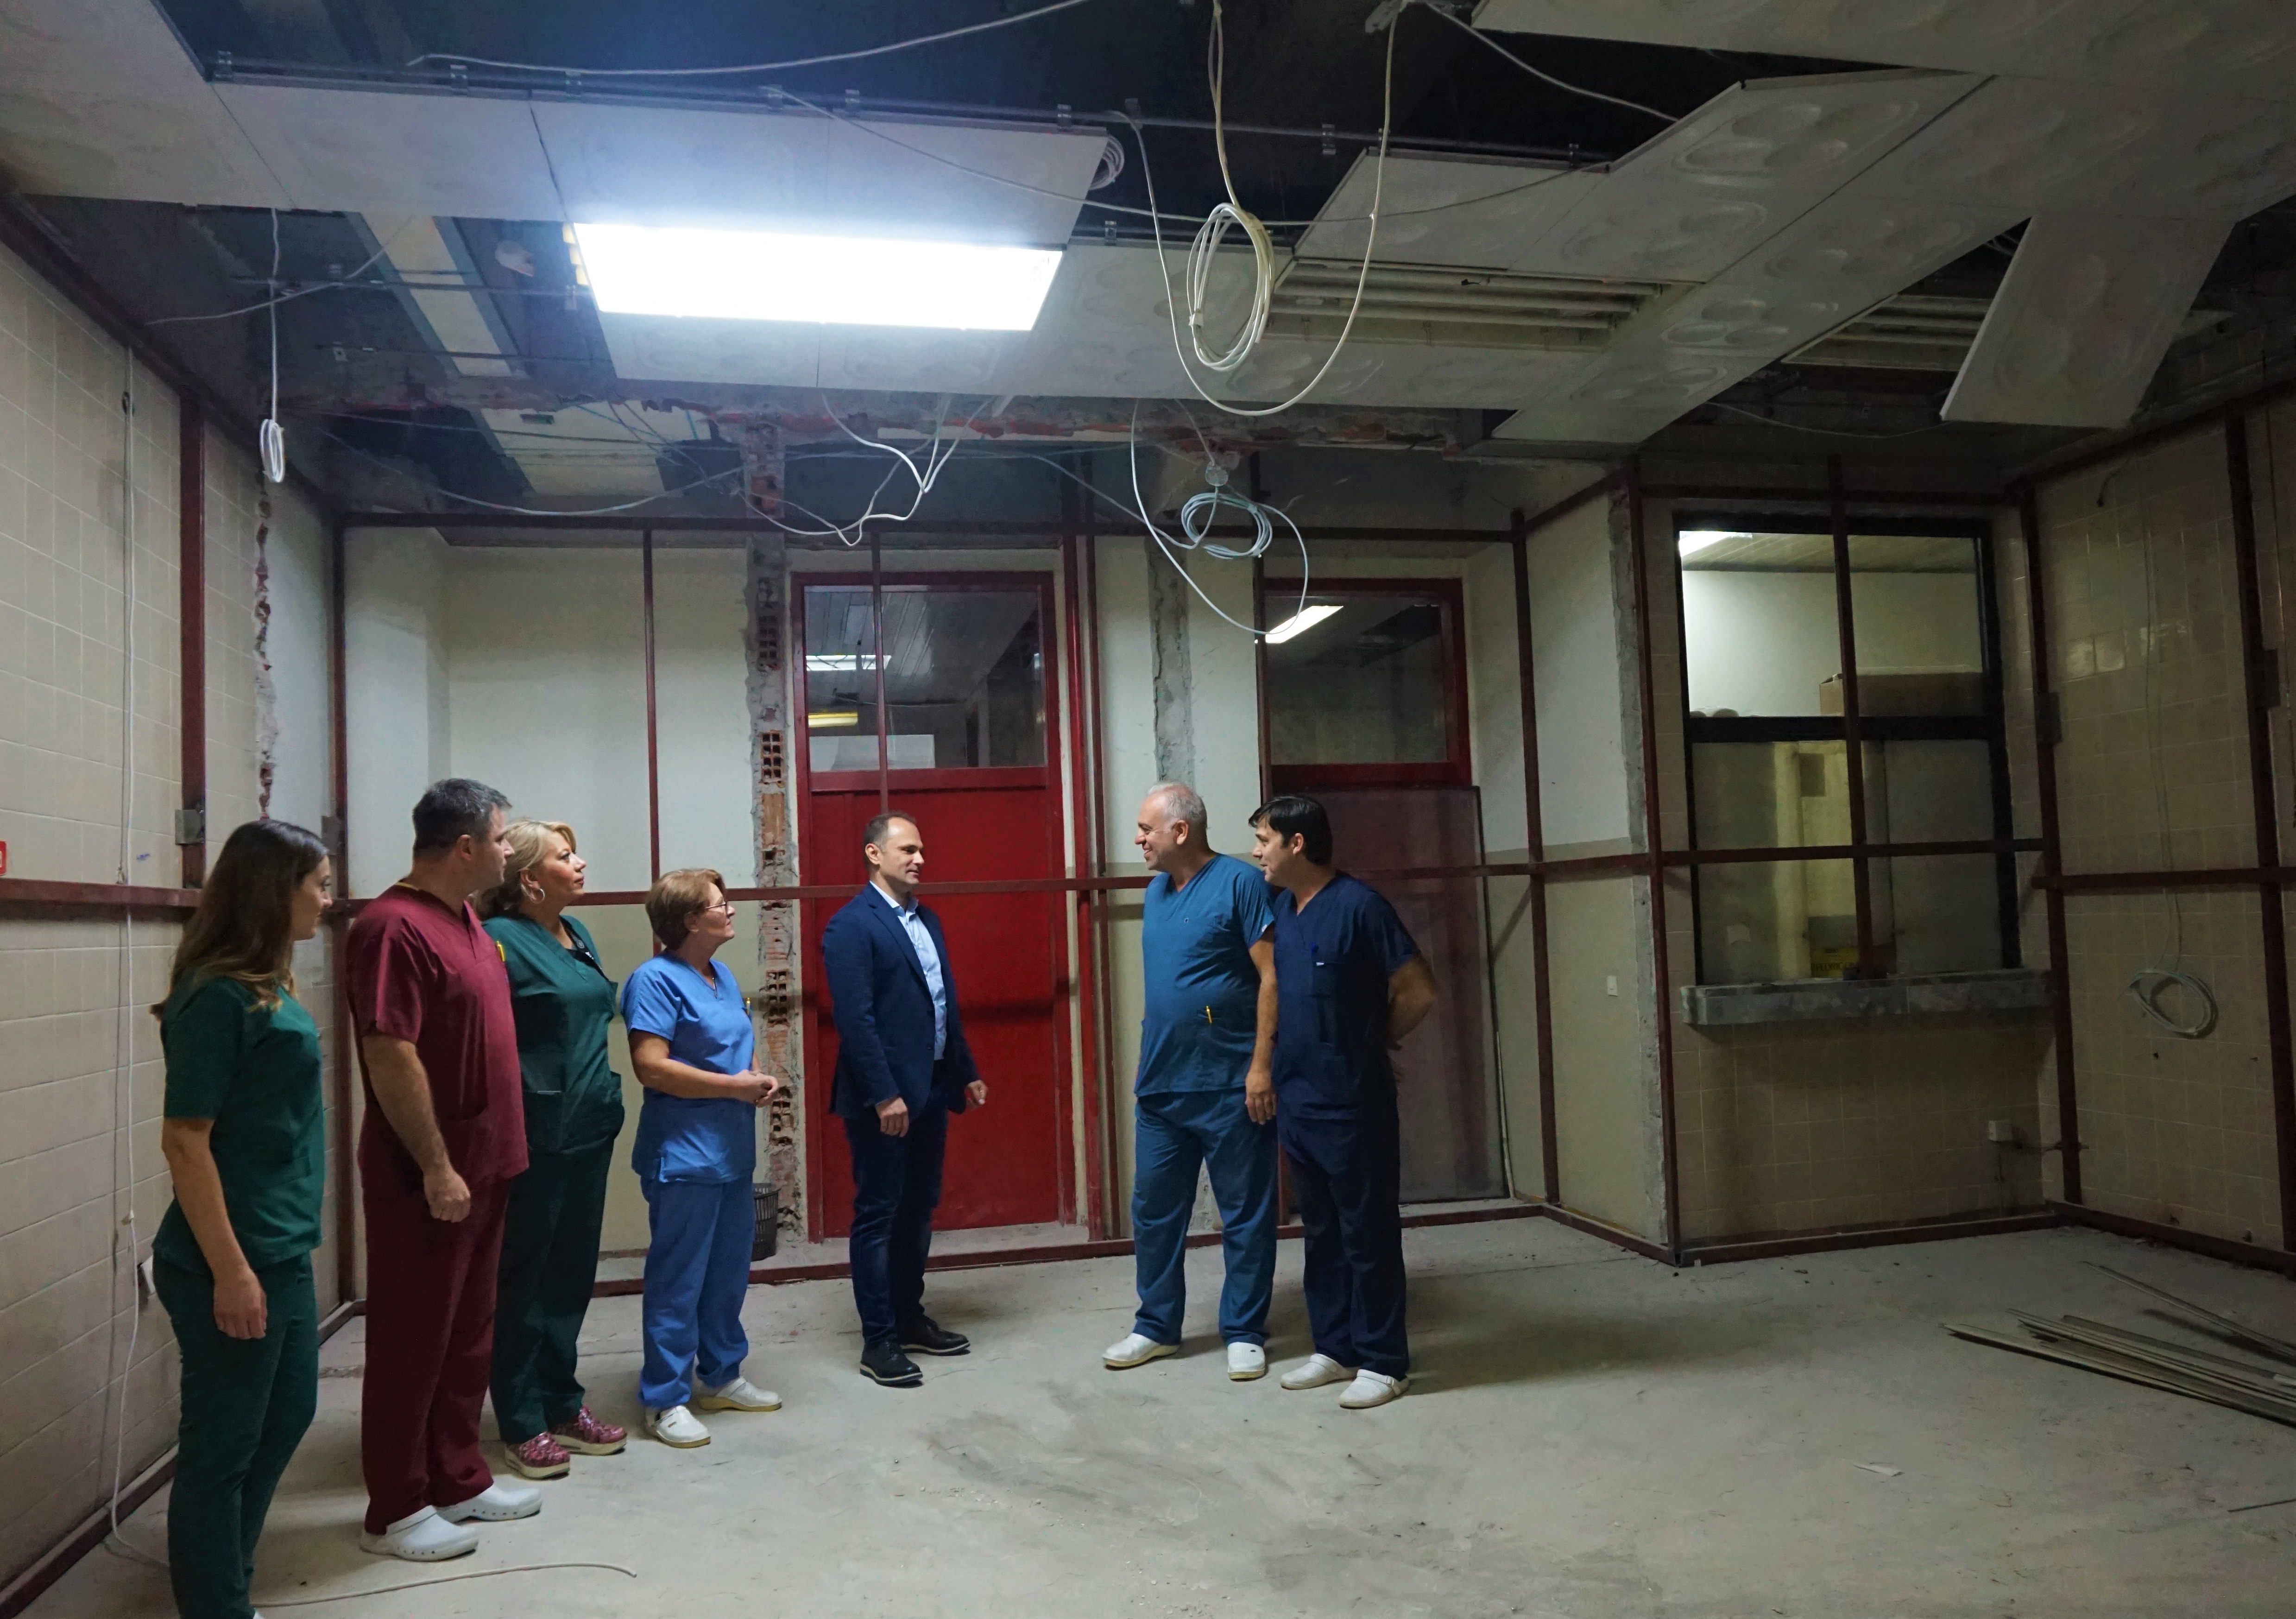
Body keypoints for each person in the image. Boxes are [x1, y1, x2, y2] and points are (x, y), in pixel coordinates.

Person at [347, 778, 536, 1561]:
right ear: (465, 846)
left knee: (467, 1333)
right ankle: (396, 1507)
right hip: (430, 1177)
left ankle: (457, 1476)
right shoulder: (392, 927)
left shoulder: (467, 919)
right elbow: (390, 1051)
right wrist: (435, 1163)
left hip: (488, 1163)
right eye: (501, 837)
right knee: (413, 1339)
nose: (508, 850)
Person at [152, 819, 333, 1619]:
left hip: (282, 1244)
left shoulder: (267, 983)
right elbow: (184, 1140)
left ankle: (231, 1582)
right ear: (272, 889)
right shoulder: (215, 995)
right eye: (317, 885)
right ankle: (215, 1605)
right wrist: (231, 1270)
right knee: (223, 1447)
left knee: (286, 1417)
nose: (326, 900)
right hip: (231, 1256)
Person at [1250, 793, 1438, 1410]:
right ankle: (1335, 1348)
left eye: (1264, 840)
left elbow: (1418, 989)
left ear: (1297, 843)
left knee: (1368, 1232)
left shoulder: (1361, 907)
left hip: (1354, 1102)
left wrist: (1376, 1036)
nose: (1257, 852)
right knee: (1322, 1231)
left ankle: (1385, 1361)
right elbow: (1279, 989)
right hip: (1300, 1098)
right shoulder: (1286, 908)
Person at [1102, 783, 1281, 1382]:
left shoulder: (1242, 884)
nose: (1137, 839)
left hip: (1231, 1082)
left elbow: (1272, 976)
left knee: (1245, 1212)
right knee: (1154, 1210)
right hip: (1162, 1085)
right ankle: (1156, 1326)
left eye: (1146, 828)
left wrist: (1261, 1066)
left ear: (1181, 831)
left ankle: (1245, 1330)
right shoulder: (1157, 891)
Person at [480, 820, 629, 1480]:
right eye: (566, 856)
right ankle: (521, 1419)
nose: (581, 861)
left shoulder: (577, 933)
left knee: (570, 1275)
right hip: (537, 1135)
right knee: (525, 1279)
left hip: (589, 1129)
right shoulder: (498, 939)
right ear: (530, 878)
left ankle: (563, 1401)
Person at [820, 811, 989, 1388]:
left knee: (919, 1207)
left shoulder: (926, 919)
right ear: (874, 854)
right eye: (908, 849)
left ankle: (909, 1316)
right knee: (879, 1212)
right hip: (885, 1099)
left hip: (933, 1086)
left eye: (921, 849)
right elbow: (856, 1020)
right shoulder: (851, 925)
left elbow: (942, 1004)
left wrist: (965, 1070)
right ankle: (879, 1339)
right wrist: (884, 1094)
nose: (920, 859)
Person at [622, 868, 785, 1448]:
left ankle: (721, 1375)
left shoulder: (720, 974)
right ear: (691, 919)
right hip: (685, 1155)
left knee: (726, 1273)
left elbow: (733, 1050)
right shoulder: (654, 980)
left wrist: (753, 1080)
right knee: (679, 1279)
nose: (731, 910)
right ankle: (665, 1397)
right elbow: (652, 1066)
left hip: (730, 1152)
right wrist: (733, 1087)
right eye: (721, 904)